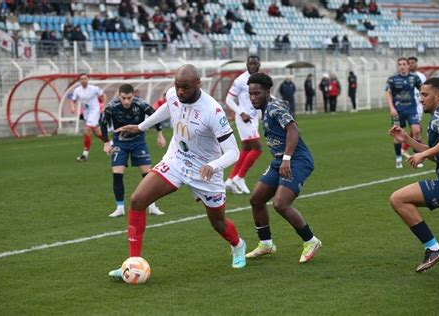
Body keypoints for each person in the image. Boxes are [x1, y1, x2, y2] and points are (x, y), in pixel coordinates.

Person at [108, 65, 247, 280]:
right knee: (137, 200)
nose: (180, 91)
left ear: (198, 85)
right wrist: (141, 126)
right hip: (177, 161)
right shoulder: (174, 94)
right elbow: (168, 107)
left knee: (218, 224)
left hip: (206, 171)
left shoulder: (213, 111)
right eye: (177, 86)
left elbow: (233, 152)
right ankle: (133, 263)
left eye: (186, 87)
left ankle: (238, 245)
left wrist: (214, 166)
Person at [245, 72, 322, 262]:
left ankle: (311, 241)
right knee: (256, 199)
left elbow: (293, 129)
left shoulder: (273, 108)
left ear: (267, 91)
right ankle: (266, 244)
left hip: (297, 160)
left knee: (280, 204)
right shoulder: (269, 106)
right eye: (251, 94)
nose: (253, 97)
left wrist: (287, 158)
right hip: (280, 160)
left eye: (257, 93)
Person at [388, 77, 439, 273]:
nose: (421, 99)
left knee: (398, 199)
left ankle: (434, 249)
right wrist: (407, 139)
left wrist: (423, 154)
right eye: (420, 95)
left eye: (424, 95)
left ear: (438, 96)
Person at [100, 84, 166, 218]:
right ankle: (119, 207)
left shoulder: (141, 104)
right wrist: (106, 142)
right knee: (117, 173)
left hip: (138, 142)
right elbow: (103, 123)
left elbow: (154, 116)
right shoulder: (111, 107)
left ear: (133, 95)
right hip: (120, 143)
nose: (126, 101)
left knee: (148, 175)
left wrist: (160, 134)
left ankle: (152, 206)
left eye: (129, 98)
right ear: (119, 96)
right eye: (123, 98)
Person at [224, 56, 263, 194]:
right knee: (257, 148)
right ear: (246, 64)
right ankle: (240, 177)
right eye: (250, 63)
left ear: (259, 64)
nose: (252, 65)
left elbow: (265, 96)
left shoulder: (261, 78)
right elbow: (228, 99)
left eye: (255, 63)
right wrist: (241, 113)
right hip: (244, 119)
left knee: (246, 150)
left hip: (254, 118)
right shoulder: (241, 80)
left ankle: (230, 180)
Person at [385, 57, 422, 168]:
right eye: (400, 64)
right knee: (397, 135)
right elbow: (388, 93)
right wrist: (392, 108)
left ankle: (417, 156)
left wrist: (423, 99)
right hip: (398, 111)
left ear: (408, 66)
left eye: (404, 64)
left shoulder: (414, 78)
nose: (402, 66)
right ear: (398, 66)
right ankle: (398, 158)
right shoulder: (392, 79)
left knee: (416, 130)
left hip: (411, 109)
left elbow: (422, 89)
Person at [70, 73, 107, 162]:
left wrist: (104, 106)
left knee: (87, 130)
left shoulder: (94, 88)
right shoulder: (77, 90)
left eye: (85, 78)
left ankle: (85, 155)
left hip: (95, 111)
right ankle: (111, 143)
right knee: (97, 132)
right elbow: (73, 100)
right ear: (79, 81)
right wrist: (72, 107)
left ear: (88, 79)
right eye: (81, 79)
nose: (83, 80)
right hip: (87, 113)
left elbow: (103, 95)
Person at [402, 56, 427, 158]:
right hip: (410, 105)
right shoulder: (405, 76)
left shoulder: (422, 76)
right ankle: (417, 151)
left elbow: (425, 89)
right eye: (410, 63)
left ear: (416, 64)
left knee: (416, 129)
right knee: (417, 128)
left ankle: (406, 148)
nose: (412, 64)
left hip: (419, 104)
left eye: (414, 63)